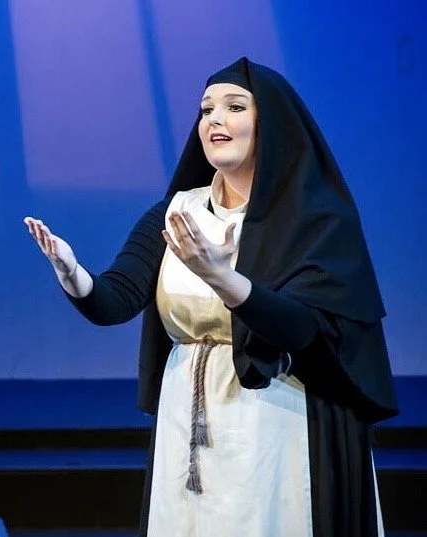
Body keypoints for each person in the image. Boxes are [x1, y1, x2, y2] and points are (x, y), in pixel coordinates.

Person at [24, 57, 397, 537]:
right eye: (206, 110)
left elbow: (304, 328)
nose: (214, 119)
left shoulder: (314, 221)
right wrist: (72, 273)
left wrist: (224, 279)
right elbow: (116, 298)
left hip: (274, 413)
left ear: (270, 124)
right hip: (186, 411)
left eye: (234, 107)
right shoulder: (177, 210)